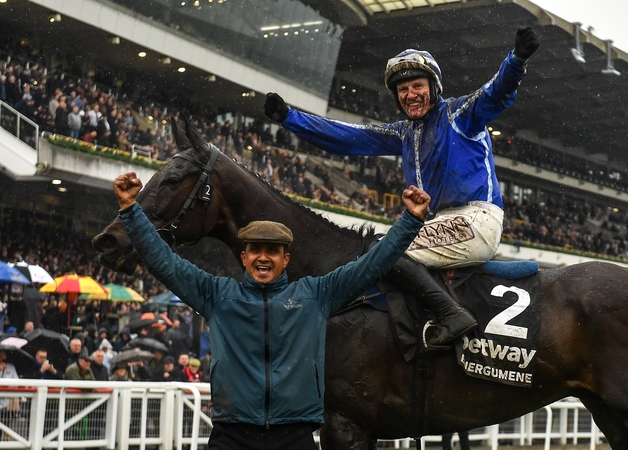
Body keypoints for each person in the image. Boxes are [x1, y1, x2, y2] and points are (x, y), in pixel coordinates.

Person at [263, 26, 540, 347]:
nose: (410, 95)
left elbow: (495, 92)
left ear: (434, 87)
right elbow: (347, 136)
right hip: (439, 222)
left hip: (477, 220)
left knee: (384, 252)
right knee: (379, 248)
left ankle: (451, 314)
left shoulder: (459, 115)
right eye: (403, 89)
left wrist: (517, 60)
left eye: (417, 86)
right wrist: (289, 117)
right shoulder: (403, 133)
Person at [112, 170, 430, 450]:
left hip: (295, 436)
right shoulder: (216, 295)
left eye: (272, 251)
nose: (264, 258)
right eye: (256, 250)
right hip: (231, 435)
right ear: (244, 257)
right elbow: (164, 262)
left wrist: (410, 221)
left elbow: (371, 266)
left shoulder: (316, 295)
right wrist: (130, 210)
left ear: (285, 259)